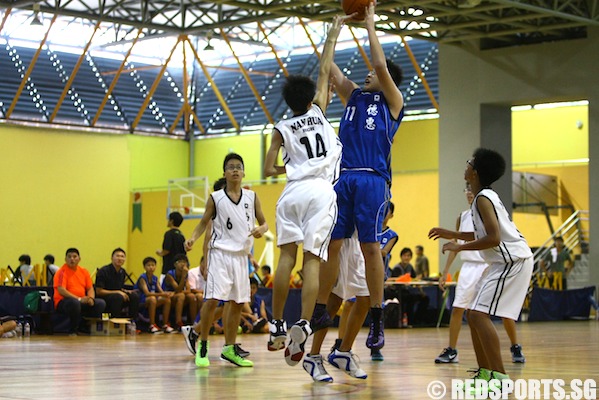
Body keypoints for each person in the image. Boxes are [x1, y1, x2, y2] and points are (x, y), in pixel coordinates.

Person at [314, 1, 405, 353]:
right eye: (366, 72)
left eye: (374, 73)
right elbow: (328, 69)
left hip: (373, 179)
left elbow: (381, 64)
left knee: (370, 248)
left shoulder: (392, 102)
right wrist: (332, 33)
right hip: (345, 177)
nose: (368, 72)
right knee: (332, 244)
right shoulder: (353, 95)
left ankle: (378, 317)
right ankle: (322, 308)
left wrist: (369, 22)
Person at [263, 13, 344, 366]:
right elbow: (325, 71)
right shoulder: (321, 111)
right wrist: (333, 33)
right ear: (310, 97)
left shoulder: (280, 127)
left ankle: (277, 323)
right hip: (319, 191)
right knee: (313, 260)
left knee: (285, 257)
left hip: (291, 191)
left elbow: (267, 169)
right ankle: (303, 323)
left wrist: (289, 167)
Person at [428, 147, 534, 387]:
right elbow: (482, 232)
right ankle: (486, 374)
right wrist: (454, 234)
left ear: (474, 172)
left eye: (469, 162)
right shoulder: (484, 196)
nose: (466, 165)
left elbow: (494, 238)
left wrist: (459, 247)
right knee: (473, 314)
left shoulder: (483, 199)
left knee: (477, 314)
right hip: (505, 261)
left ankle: (499, 376)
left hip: (512, 261)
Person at [184, 153, 268, 368]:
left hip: (241, 257)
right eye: (230, 167)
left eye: (238, 167)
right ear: (224, 172)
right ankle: (202, 345)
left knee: (238, 303)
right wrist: (193, 238)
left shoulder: (252, 197)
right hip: (220, 254)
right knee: (212, 300)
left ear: (244, 172)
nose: (235, 170)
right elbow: (203, 223)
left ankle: (230, 349)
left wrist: (261, 229)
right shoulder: (216, 198)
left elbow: (265, 223)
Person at [434, 184, 526, 364]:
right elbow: (457, 242)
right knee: (460, 309)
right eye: (465, 189)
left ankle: (515, 346)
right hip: (468, 267)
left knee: (500, 311)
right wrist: (445, 272)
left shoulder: (489, 210)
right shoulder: (463, 216)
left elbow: (493, 237)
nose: (468, 192)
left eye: (470, 188)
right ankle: (452, 350)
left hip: (489, 265)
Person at [303, 233, 369, 382]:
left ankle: (343, 352)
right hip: (339, 239)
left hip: (358, 240)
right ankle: (313, 356)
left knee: (366, 297)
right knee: (333, 301)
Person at [53, 248, 106, 335]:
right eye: (69, 257)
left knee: (100, 303)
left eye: (74, 257)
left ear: (79, 259)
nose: (72, 259)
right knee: (74, 303)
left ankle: (85, 326)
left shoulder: (84, 271)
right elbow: (61, 290)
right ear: (65, 259)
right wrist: (79, 299)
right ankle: (73, 330)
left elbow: (90, 288)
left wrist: (90, 298)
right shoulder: (61, 272)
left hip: (81, 300)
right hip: (64, 301)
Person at [95, 248, 140, 322]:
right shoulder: (103, 271)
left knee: (134, 296)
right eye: (117, 256)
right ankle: (115, 322)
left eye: (122, 256)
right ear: (112, 258)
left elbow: (118, 287)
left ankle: (132, 322)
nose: (120, 258)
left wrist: (125, 291)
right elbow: (99, 291)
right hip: (105, 298)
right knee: (117, 297)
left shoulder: (122, 272)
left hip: (117, 295)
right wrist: (118, 292)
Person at [388, 247, 429, 326]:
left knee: (425, 299)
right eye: (405, 256)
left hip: (407, 291)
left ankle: (418, 320)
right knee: (409, 299)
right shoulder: (397, 268)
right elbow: (396, 282)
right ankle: (408, 321)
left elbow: (414, 279)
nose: (406, 258)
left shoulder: (410, 267)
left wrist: (421, 291)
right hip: (397, 292)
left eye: (408, 256)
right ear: (401, 256)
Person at [135, 256, 174, 333]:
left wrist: (167, 294)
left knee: (167, 300)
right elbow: (147, 293)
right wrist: (162, 294)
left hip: (153, 298)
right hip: (142, 300)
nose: (151, 267)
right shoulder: (142, 278)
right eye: (148, 265)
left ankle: (165, 324)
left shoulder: (155, 278)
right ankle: (152, 325)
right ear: (144, 267)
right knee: (152, 298)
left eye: (153, 265)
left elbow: (161, 291)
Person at [162, 254, 197, 330]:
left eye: (184, 262)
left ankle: (194, 322)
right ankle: (178, 322)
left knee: (191, 296)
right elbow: (177, 289)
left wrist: (184, 276)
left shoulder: (185, 274)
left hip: (175, 295)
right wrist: (183, 277)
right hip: (167, 296)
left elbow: (188, 290)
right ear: (175, 264)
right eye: (180, 262)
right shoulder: (170, 274)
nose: (183, 264)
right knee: (181, 296)